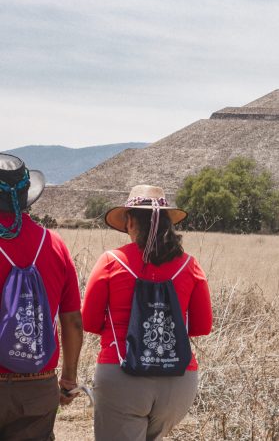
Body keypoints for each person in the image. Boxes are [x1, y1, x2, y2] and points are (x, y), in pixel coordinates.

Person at [82, 185, 212, 441]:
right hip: (178, 379)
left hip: (121, 374)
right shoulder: (190, 264)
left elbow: (88, 321)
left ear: (130, 221)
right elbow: (202, 326)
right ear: (167, 223)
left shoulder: (111, 261)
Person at [0, 153, 83, 440]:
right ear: (26, 196)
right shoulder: (54, 245)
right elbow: (72, 320)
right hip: (38, 385)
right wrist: (69, 379)